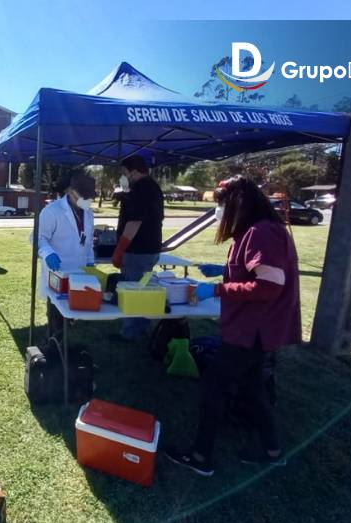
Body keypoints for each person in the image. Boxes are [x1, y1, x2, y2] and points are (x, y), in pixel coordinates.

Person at [164, 177, 299, 477]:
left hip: (251, 331)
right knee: (253, 388)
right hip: (254, 330)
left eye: (221, 206)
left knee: (213, 386)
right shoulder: (257, 231)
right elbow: (253, 271)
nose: (219, 213)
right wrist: (224, 272)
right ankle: (272, 451)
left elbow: (269, 285)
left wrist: (216, 290)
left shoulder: (261, 232)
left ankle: (200, 457)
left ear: (237, 204)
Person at [111, 155, 164, 340]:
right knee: (139, 288)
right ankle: (138, 328)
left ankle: (132, 333)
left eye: (124, 173)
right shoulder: (149, 187)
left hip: (139, 250)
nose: (123, 176)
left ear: (133, 171)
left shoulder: (143, 188)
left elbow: (134, 222)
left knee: (134, 291)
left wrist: (120, 249)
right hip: (145, 249)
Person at [37, 172, 96, 335]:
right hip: (58, 272)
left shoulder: (89, 213)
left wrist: (90, 261)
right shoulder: (52, 211)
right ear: (70, 191)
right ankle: (52, 346)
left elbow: (88, 241)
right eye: (83, 196)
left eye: (89, 197)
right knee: (56, 314)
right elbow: (38, 237)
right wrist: (47, 253)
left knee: (74, 313)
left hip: (80, 273)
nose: (87, 200)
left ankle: (70, 347)